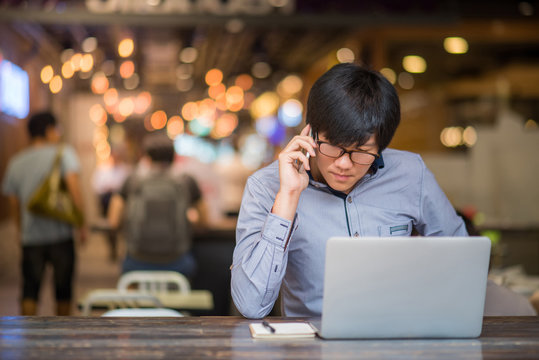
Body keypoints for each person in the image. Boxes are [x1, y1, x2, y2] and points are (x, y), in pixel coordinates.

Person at [231, 63, 468, 319]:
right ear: (310, 132)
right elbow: (251, 305)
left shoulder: (411, 173)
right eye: (332, 146)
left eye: (362, 152)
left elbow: (462, 262)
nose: (343, 164)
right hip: (311, 348)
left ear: (381, 146)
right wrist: (288, 196)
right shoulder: (266, 187)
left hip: (399, 337)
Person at [2, 111, 85, 315]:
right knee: (63, 290)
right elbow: (75, 191)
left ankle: (28, 336)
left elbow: (14, 202)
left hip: (31, 237)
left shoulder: (16, 161)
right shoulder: (64, 153)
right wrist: (81, 224)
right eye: (56, 129)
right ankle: (62, 336)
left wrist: (20, 230)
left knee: (30, 289)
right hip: (61, 234)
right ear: (49, 130)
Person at [107, 133, 205, 279]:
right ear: (173, 157)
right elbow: (205, 220)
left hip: (137, 261)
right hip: (177, 262)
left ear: (146, 157)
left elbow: (113, 220)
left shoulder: (132, 180)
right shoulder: (186, 181)